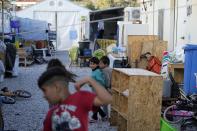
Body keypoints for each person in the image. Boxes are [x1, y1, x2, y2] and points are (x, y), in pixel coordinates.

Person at [38, 67, 112, 131]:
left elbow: (107, 99)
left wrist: (90, 80)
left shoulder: (80, 97)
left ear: (56, 87)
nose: (44, 96)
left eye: (44, 90)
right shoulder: (50, 114)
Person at [89, 57, 107, 122]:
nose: (91, 65)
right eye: (90, 64)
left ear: (97, 65)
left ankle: (96, 117)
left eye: (93, 64)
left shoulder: (97, 72)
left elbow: (101, 81)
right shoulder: (94, 71)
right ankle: (101, 116)